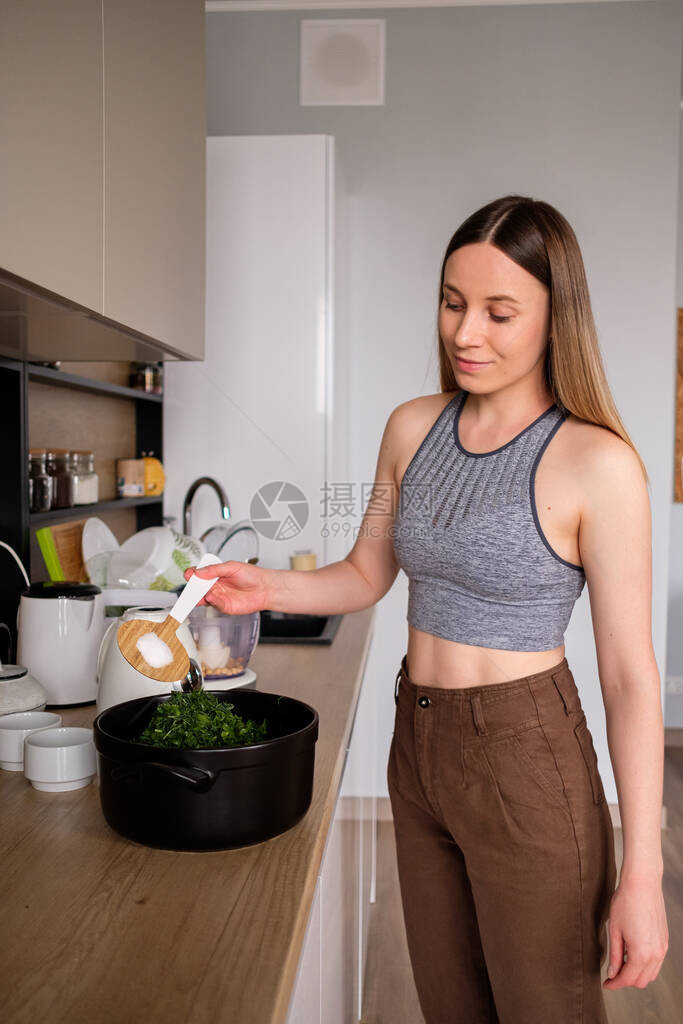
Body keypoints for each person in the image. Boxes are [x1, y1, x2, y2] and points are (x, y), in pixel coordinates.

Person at [188, 194, 669, 1022]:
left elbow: (629, 677)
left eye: (498, 311)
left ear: (558, 318)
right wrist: (266, 587)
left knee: (543, 1008)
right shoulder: (411, 429)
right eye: (452, 304)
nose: (464, 333)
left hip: (526, 754)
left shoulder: (598, 464)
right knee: (448, 1005)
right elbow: (365, 572)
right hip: (418, 747)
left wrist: (643, 876)